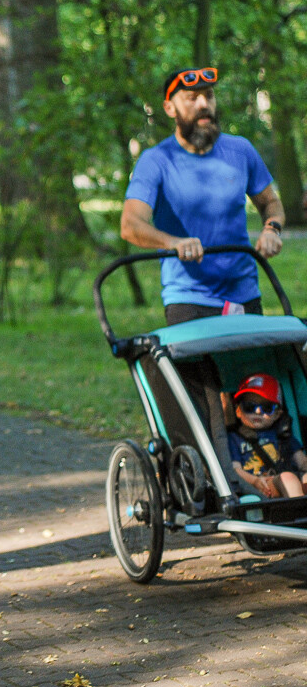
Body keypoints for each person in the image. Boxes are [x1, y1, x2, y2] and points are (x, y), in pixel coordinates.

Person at [120, 67, 287, 481]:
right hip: (189, 297)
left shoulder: (240, 150)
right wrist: (172, 241)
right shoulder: (156, 161)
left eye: (208, 96)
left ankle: (267, 474)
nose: (203, 104)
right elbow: (131, 225)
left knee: (253, 389)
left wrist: (272, 229)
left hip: (242, 292)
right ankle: (215, 480)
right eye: (192, 97)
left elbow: (272, 203)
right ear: (169, 107)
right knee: (207, 397)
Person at [226, 374, 307, 499]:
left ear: (277, 414)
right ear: (238, 411)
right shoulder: (234, 438)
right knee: (287, 477)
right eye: (249, 407)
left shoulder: (282, 435)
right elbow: (235, 470)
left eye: (266, 408)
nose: (258, 412)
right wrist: (254, 481)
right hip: (262, 484)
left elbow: (302, 462)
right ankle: (299, 510)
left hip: (289, 477)